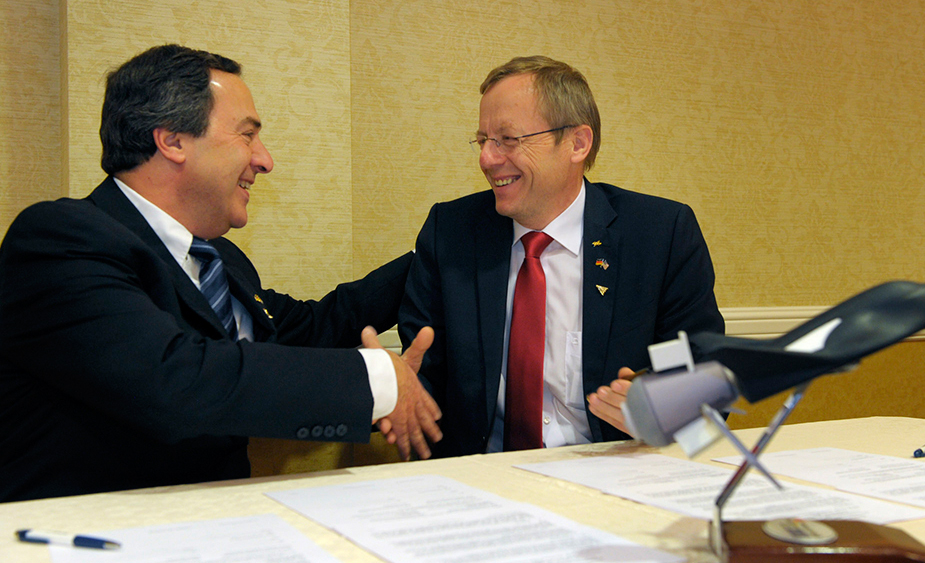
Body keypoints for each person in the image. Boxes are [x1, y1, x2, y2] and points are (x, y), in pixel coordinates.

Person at [0, 44, 440, 503]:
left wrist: (438, 251)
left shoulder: (219, 260)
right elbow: (173, 380)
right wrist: (376, 379)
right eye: (247, 136)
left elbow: (315, 325)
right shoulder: (61, 240)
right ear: (172, 140)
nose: (264, 159)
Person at [398, 56, 725, 458]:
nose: (486, 158)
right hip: (483, 481)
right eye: (483, 140)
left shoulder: (659, 234)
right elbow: (423, 379)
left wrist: (660, 409)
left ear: (577, 143)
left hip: (612, 475)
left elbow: (705, 375)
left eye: (508, 139)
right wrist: (386, 388)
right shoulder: (452, 233)